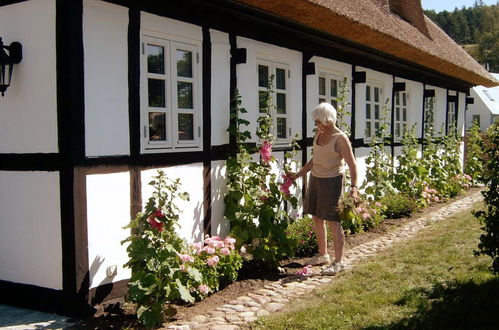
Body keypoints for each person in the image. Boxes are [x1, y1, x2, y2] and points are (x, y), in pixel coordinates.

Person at [293, 102, 358, 275]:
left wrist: (354, 188)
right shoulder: (319, 134)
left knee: (334, 222)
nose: (316, 124)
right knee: (316, 217)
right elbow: (316, 158)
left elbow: (352, 165)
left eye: (318, 121)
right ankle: (323, 255)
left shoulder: (340, 138)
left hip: (332, 181)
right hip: (316, 178)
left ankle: (339, 262)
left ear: (328, 120)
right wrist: (299, 173)